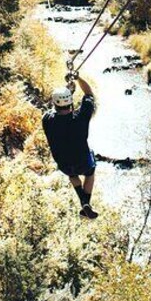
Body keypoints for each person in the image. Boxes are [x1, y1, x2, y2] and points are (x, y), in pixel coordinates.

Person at [42, 75, 99, 219]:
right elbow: (88, 93)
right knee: (90, 172)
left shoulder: (47, 120)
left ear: (55, 103)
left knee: (72, 174)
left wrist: (67, 92)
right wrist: (78, 78)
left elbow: (53, 112)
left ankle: (83, 202)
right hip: (83, 163)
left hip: (64, 165)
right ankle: (85, 201)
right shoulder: (82, 116)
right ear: (71, 103)